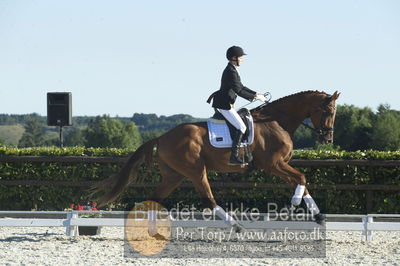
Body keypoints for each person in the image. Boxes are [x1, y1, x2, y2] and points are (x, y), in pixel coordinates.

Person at [207, 46, 267, 165]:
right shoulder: (230, 71)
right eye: (241, 57)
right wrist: (254, 97)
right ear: (234, 58)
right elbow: (238, 90)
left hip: (227, 103)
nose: (242, 60)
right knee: (242, 127)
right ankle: (234, 156)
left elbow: (242, 86)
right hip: (224, 105)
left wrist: (256, 93)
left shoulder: (233, 69)